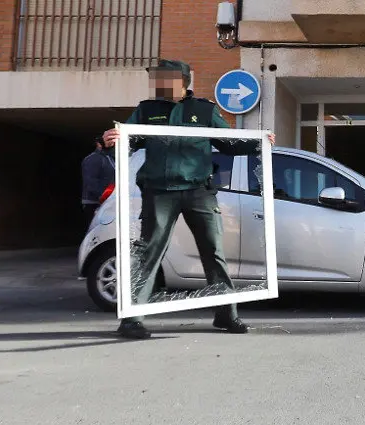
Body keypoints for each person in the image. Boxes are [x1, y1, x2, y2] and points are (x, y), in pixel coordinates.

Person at [102, 59, 275, 339]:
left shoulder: (203, 110)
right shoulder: (147, 110)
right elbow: (128, 141)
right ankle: (131, 320)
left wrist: (258, 140)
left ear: (183, 81)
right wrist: (114, 140)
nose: (160, 84)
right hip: (159, 192)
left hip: (199, 192)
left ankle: (226, 315)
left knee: (214, 253)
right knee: (148, 254)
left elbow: (227, 143)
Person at [81, 136, 115, 232]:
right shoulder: (93, 159)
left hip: (107, 201)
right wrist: (104, 196)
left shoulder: (110, 158)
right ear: (99, 144)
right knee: (96, 233)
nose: (112, 144)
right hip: (94, 203)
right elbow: (90, 182)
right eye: (109, 142)